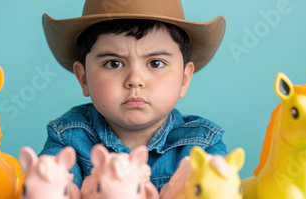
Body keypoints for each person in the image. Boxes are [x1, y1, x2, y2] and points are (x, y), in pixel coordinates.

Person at [39, 0, 227, 191]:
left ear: (184, 79)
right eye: (113, 63)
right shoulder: (69, 138)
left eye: (155, 63)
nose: (135, 80)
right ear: (84, 78)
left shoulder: (202, 146)